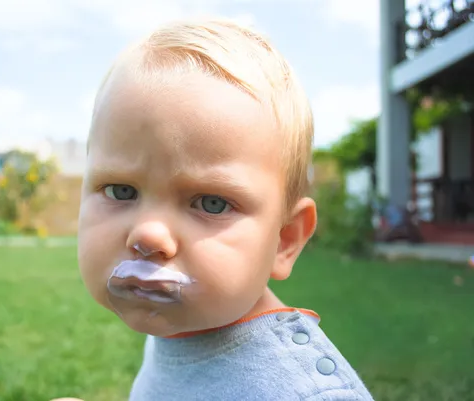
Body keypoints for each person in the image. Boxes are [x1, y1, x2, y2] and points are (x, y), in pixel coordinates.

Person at [74, 16, 374, 401]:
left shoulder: (297, 393)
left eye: (211, 203)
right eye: (120, 191)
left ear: (284, 240)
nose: (148, 234)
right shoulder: (184, 320)